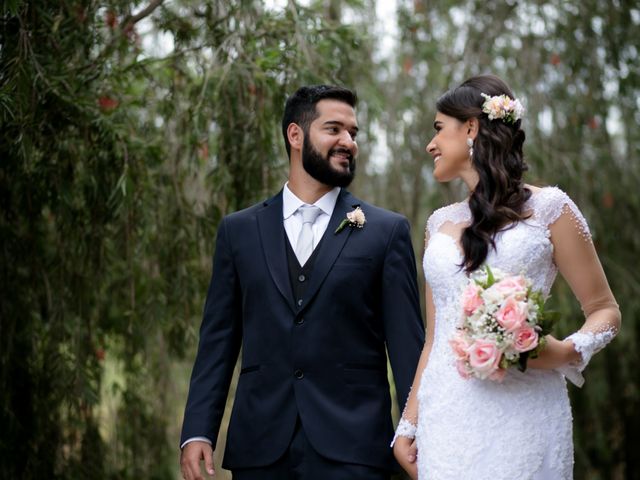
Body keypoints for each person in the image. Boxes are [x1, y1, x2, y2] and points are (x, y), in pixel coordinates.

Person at [180, 84, 425, 480]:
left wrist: (418, 432)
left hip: (354, 449)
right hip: (260, 449)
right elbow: (217, 341)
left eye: (353, 133)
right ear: (296, 135)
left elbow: (407, 348)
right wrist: (196, 430)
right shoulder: (238, 231)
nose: (348, 142)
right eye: (334, 129)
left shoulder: (386, 231)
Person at [392, 74, 621, 479]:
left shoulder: (551, 209)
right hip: (447, 417)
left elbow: (604, 309)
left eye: (438, 129)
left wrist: (566, 352)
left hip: (525, 411)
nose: (430, 144)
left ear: (471, 128)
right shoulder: (438, 224)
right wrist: (409, 425)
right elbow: (435, 338)